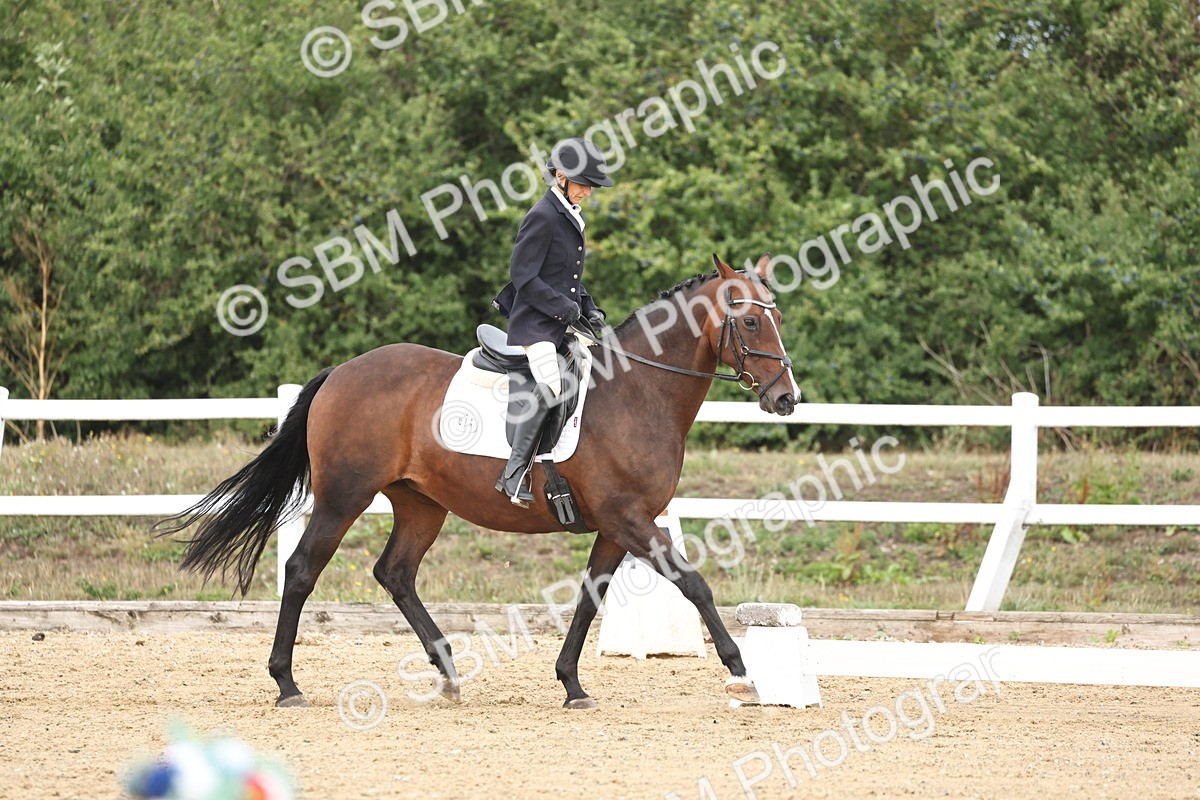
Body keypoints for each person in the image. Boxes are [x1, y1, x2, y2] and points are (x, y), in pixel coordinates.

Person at [491, 137, 613, 506]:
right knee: (552, 384)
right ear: (561, 176)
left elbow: (565, 278)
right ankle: (513, 474)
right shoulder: (543, 215)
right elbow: (524, 277)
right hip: (536, 325)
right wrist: (564, 309)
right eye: (584, 184)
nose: (588, 192)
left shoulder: (569, 214)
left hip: (558, 322)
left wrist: (589, 308)